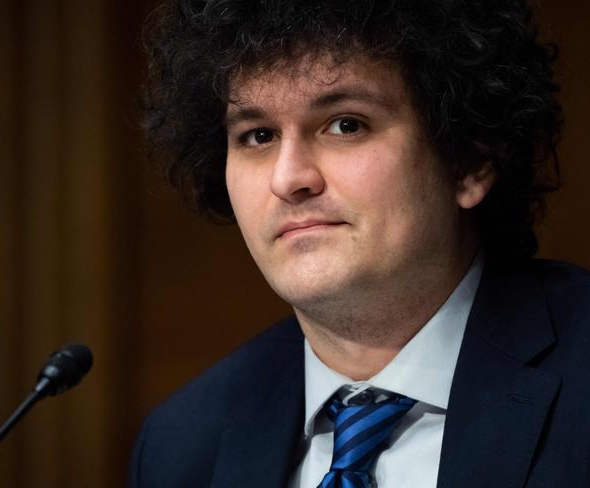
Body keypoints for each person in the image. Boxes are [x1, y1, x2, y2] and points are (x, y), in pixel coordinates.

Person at [130, 1, 590, 487]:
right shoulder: (181, 445)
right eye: (258, 135)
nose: (289, 179)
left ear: (469, 160)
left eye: (346, 124)